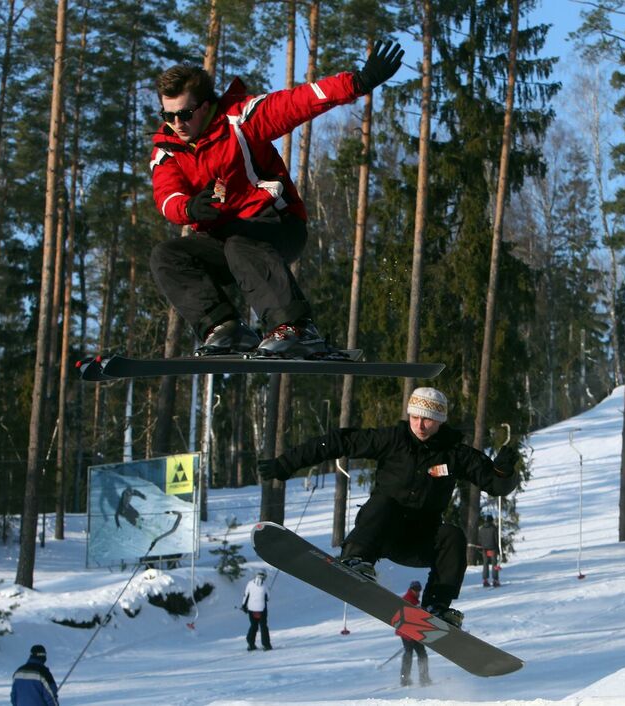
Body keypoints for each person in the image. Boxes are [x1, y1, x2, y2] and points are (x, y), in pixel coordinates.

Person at [148, 42, 404, 359]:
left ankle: (295, 327)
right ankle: (225, 327)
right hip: (225, 239)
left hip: (277, 226)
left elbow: (299, 102)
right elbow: (166, 194)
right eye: (168, 115)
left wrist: (359, 82)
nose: (176, 124)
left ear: (204, 107)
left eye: (184, 114)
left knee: (239, 244)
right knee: (167, 255)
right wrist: (186, 208)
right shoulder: (167, 147)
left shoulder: (241, 120)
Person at [257, 387, 520, 627]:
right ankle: (356, 559)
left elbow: (496, 485)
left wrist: (505, 472)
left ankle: (437, 606)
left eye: (428, 419)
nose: (420, 425)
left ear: (440, 420)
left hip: (419, 539)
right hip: (382, 531)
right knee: (383, 503)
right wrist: (287, 463)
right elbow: (341, 441)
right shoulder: (392, 439)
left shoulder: (455, 454)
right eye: (415, 417)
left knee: (453, 535)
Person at [397, 580, 431, 687]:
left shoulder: (414, 600)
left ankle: (421, 678)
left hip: (414, 632)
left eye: (419, 590)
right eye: (415, 590)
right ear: (411, 589)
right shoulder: (408, 600)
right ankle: (406, 679)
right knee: (410, 654)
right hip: (407, 633)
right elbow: (405, 618)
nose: (417, 592)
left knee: (420, 654)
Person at [242, 569, 271, 651]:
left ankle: (251, 644)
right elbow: (268, 597)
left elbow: (245, 595)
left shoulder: (250, 583)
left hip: (251, 609)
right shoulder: (264, 585)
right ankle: (266, 645)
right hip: (262, 609)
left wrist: (244, 606)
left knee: (253, 625)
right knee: (263, 626)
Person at [478, 514, 501, 587]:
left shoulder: (481, 529)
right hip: (493, 548)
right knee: (494, 564)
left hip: (484, 549)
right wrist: (498, 549)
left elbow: (479, 539)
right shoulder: (493, 528)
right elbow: (496, 539)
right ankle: (495, 580)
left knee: (485, 564)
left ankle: (485, 580)